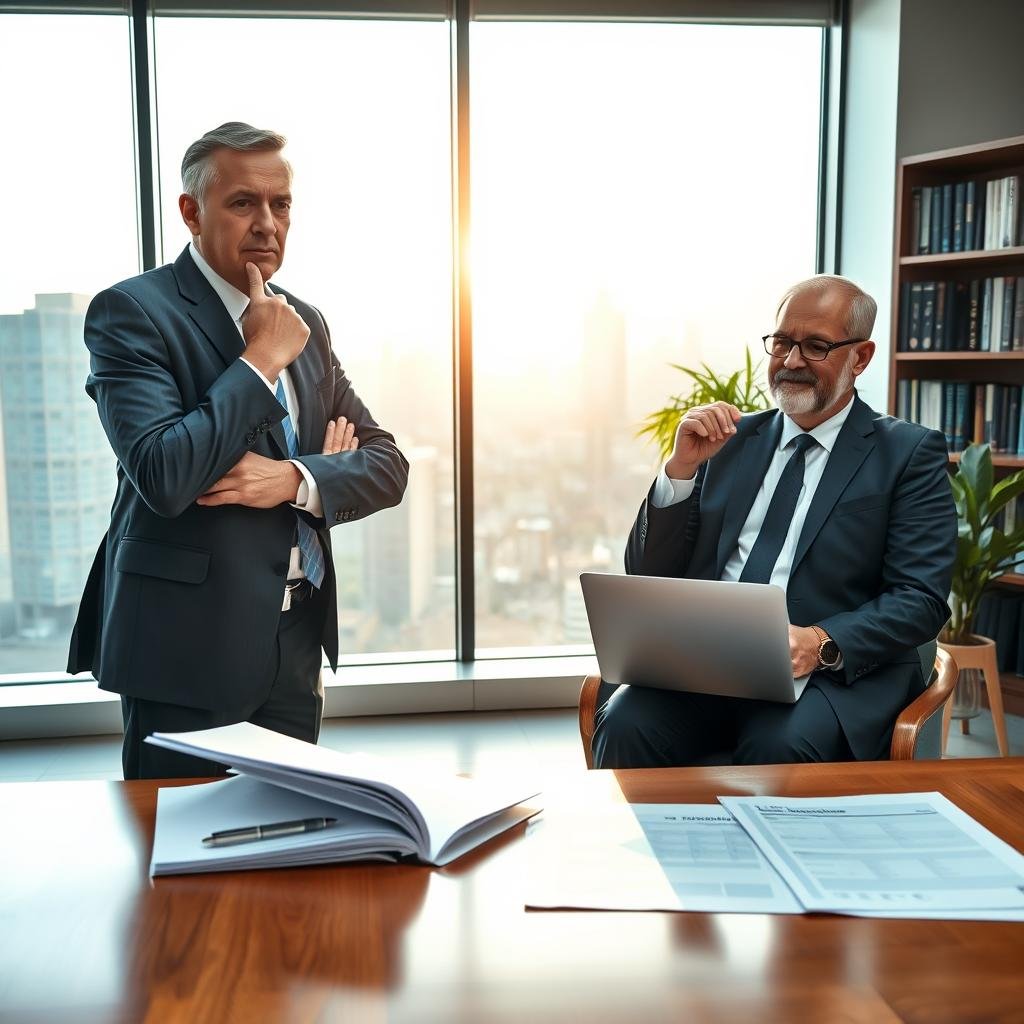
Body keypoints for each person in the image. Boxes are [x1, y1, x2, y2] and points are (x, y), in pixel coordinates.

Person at [67, 122, 409, 779]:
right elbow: (165, 474)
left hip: (294, 641)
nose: (267, 223)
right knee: (176, 856)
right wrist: (259, 360)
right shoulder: (132, 313)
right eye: (243, 202)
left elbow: (386, 464)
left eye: (281, 205)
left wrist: (292, 478)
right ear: (191, 212)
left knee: (288, 852)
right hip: (184, 644)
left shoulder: (303, 318)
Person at [592, 275, 956, 768]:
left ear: (861, 357)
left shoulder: (908, 454)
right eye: (782, 342)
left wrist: (820, 643)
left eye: (815, 346)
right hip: (706, 665)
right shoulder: (728, 441)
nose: (790, 361)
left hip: (828, 677)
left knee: (780, 747)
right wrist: (679, 471)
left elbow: (921, 599)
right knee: (625, 720)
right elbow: (648, 572)